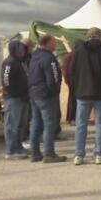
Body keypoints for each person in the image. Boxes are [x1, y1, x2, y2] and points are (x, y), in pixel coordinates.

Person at [68, 27, 101, 165]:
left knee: (81, 125)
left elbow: (71, 72)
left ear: (87, 37)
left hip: (83, 93)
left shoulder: (78, 52)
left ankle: (79, 155)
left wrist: (75, 88)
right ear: (100, 37)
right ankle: (99, 154)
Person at [26, 35, 68, 163]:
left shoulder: (33, 57)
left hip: (33, 93)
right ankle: (49, 153)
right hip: (46, 95)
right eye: (54, 42)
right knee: (49, 124)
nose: (55, 45)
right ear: (48, 43)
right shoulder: (49, 58)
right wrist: (55, 91)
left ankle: (35, 153)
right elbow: (53, 78)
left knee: (35, 123)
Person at [1, 40, 29, 160]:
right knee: (12, 125)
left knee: (19, 125)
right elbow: (6, 80)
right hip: (13, 98)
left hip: (21, 97)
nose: (22, 51)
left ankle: (17, 146)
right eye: (20, 49)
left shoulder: (18, 62)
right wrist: (12, 93)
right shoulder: (10, 62)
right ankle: (11, 150)